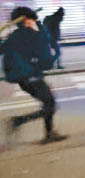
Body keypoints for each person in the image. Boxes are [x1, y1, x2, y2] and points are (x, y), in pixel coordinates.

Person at [1, 7, 68, 145]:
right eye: (33, 19)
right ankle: (18, 121)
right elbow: (45, 57)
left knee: (49, 103)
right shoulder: (30, 34)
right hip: (31, 77)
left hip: (26, 78)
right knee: (50, 104)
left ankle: (47, 133)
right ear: (26, 20)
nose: (36, 21)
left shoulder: (16, 35)